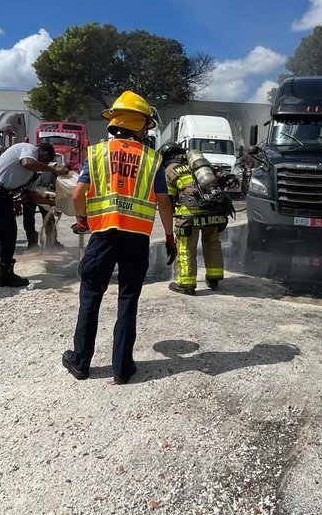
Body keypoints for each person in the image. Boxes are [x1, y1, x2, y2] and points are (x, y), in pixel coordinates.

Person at [62, 92, 176, 385]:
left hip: (102, 238)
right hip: (136, 239)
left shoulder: (97, 153)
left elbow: (77, 194)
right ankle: (122, 368)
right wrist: (169, 236)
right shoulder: (152, 159)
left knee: (91, 296)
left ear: (115, 121)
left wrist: (83, 219)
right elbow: (164, 202)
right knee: (128, 300)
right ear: (140, 125)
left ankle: (81, 363)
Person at [0, 141, 64, 286]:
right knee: (9, 234)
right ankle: (5, 274)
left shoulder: (32, 173)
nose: (46, 164)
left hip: (1, 196)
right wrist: (53, 169)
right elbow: (27, 163)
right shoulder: (28, 149)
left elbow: (30, 194)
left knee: (2, 233)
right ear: (44, 153)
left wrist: (51, 200)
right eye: (47, 160)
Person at [162, 145, 231, 294]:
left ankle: (186, 284)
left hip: (190, 216)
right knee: (212, 243)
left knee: (186, 247)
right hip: (213, 212)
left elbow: (169, 199)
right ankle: (214, 278)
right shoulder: (201, 165)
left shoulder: (170, 169)